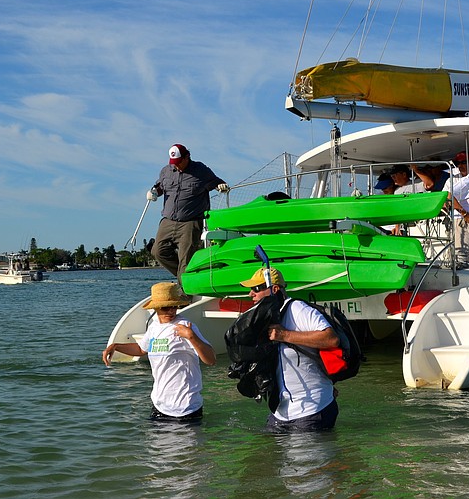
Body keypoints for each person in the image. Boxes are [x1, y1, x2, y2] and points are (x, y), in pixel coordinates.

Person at [240, 267, 340, 432]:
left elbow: (331, 339)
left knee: (307, 458)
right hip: (280, 412)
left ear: (275, 289)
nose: (251, 294)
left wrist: (284, 335)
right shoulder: (266, 316)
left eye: (256, 289)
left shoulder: (297, 309)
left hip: (311, 410)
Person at [102, 282, 216, 422]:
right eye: (166, 307)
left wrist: (191, 336)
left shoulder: (185, 326)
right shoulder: (154, 326)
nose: (171, 311)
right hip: (160, 406)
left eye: (174, 306)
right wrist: (116, 346)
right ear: (156, 308)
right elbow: (141, 349)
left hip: (186, 407)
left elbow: (211, 360)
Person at [148, 144, 229, 280]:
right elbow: (160, 187)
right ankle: (188, 277)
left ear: (187, 157)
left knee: (186, 260)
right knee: (158, 252)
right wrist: (154, 192)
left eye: (179, 162)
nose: (176, 166)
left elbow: (217, 182)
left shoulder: (201, 170)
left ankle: (185, 292)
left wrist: (221, 186)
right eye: (174, 163)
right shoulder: (165, 171)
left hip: (190, 223)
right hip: (167, 221)